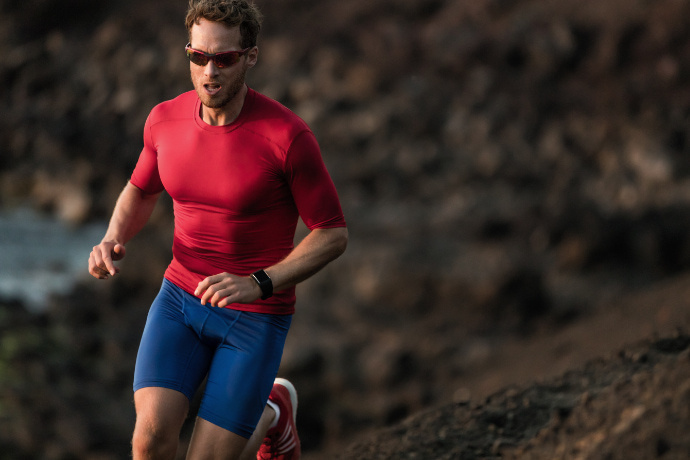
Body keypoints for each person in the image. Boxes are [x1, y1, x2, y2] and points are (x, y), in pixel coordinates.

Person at [87, 0, 348, 458]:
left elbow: (332, 233)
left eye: (225, 59)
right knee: (148, 443)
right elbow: (141, 189)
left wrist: (258, 283)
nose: (210, 72)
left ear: (250, 56)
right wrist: (113, 238)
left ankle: (274, 412)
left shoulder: (286, 138)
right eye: (199, 57)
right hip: (179, 299)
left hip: (254, 316)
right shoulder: (164, 120)